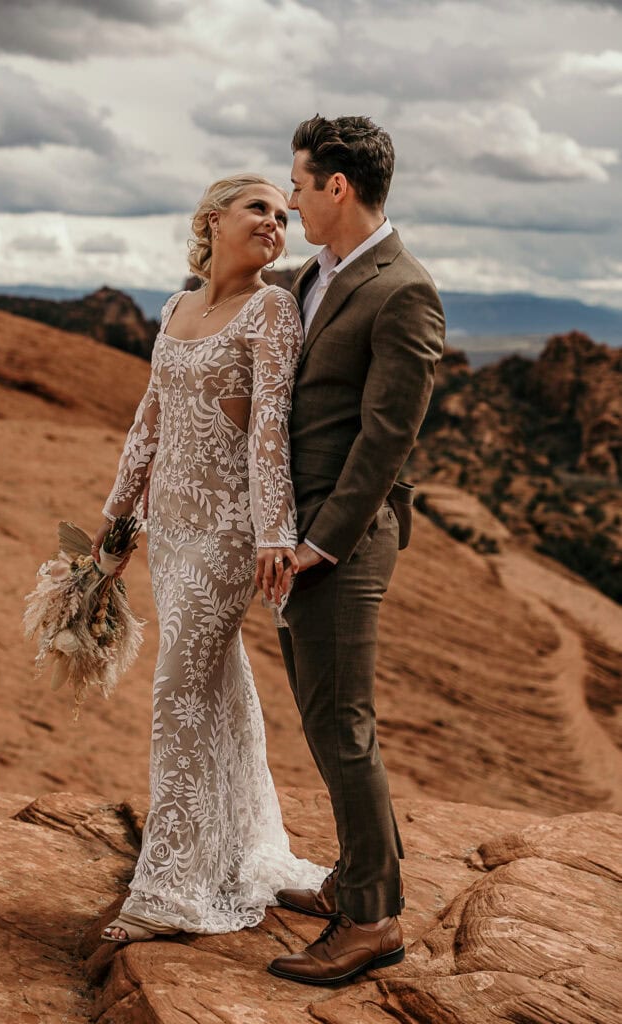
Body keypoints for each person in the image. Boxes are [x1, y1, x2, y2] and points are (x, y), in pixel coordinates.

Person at [94, 173, 326, 944]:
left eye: (282, 214)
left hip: (228, 534)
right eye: (257, 207)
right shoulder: (176, 308)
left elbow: (269, 430)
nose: (274, 221)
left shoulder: (273, 308)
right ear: (212, 220)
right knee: (213, 681)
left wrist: (272, 535)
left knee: (180, 687)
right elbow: (148, 420)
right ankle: (232, 844)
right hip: (173, 530)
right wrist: (117, 517)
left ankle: (168, 889)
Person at [267, 116, 446, 986]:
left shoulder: (402, 288)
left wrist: (317, 545)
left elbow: (385, 441)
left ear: (336, 186)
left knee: (342, 725)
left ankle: (372, 920)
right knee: (322, 716)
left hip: (339, 545)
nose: (292, 197)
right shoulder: (314, 273)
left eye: (298, 184)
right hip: (293, 542)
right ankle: (353, 875)